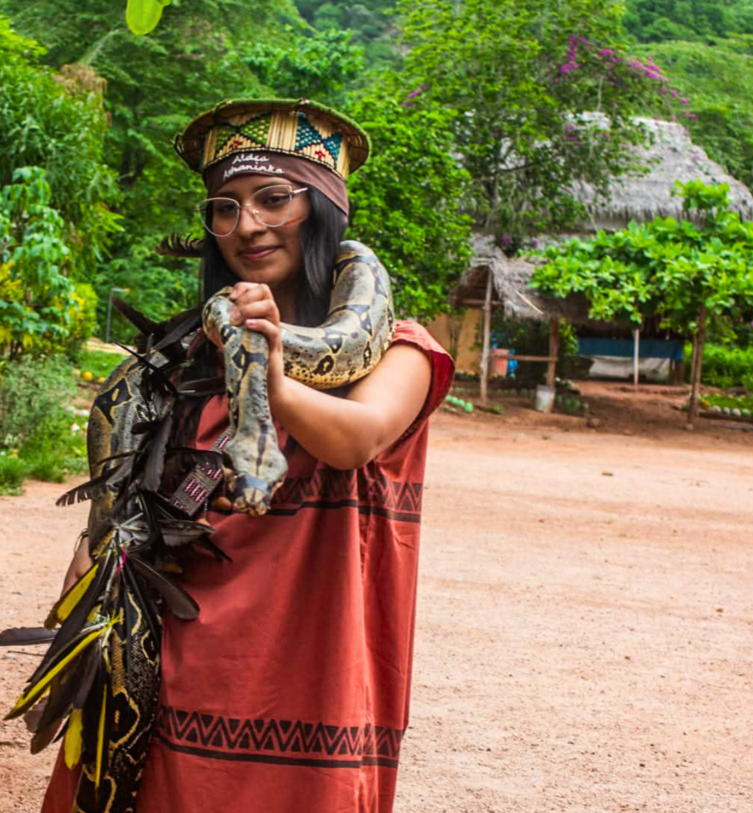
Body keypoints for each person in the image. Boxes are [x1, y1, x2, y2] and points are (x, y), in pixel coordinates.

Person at [43, 99, 453, 813]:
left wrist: (265, 368)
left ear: (322, 208)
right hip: (164, 676)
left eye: (273, 198)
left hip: (304, 688)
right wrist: (96, 550)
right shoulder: (182, 363)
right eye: (224, 208)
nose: (248, 225)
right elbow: (133, 493)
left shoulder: (400, 352)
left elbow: (355, 437)